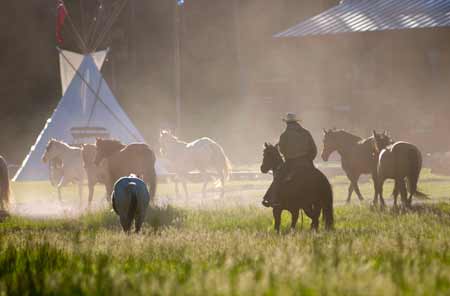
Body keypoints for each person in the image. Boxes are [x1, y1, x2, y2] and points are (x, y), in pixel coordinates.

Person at [262, 113, 317, 207]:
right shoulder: (306, 133)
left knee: (278, 177)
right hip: (307, 163)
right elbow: (314, 150)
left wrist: (289, 155)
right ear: (296, 122)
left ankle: (272, 199)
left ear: (287, 123)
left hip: (291, 163)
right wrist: (308, 160)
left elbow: (282, 151)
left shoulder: (284, 135)